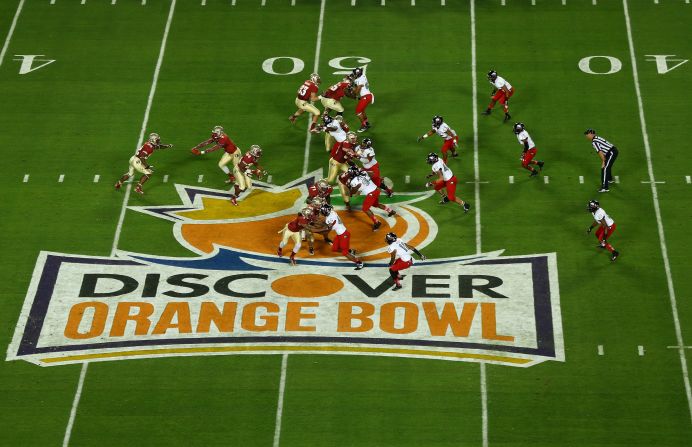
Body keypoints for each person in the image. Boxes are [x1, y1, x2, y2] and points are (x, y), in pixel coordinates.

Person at [347, 165, 396, 231]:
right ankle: (390, 211)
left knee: (365, 209)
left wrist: (352, 190)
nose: (349, 174)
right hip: (376, 190)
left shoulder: (353, 181)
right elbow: (372, 174)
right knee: (376, 204)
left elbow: (353, 192)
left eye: (350, 173)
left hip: (371, 194)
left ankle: (376, 222)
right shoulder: (364, 172)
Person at [320, 203, 364, 269]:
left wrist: (317, 229)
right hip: (340, 234)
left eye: (323, 212)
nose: (322, 213)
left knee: (344, 253)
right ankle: (351, 251)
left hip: (344, 235)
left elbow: (327, 229)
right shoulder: (332, 212)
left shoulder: (329, 218)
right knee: (334, 248)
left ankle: (359, 262)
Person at [328, 131, 358, 210]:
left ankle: (348, 191)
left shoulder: (354, 145)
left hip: (343, 163)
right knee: (331, 181)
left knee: (353, 173)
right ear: (348, 138)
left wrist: (354, 161)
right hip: (335, 161)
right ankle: (319, 185)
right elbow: (345, 149)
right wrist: (353, 154)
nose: (353, 139)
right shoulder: (345, 142)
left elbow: (349, 158)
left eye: (354, 138)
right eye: (352, 138)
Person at [584, 128, 619, 193]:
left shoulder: (594, 142)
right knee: (607, 166)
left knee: (605, 168)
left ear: (591, 134)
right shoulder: (596, 138)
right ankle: (610, 179)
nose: (586, 135)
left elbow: (600, 152)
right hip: (612, 151)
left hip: (611, 152)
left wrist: (603, 161)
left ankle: (605, 187)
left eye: (587, 134)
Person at [350, 67, 374, 133]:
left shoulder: (360, 80)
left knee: (358, 111)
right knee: (362, 110)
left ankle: (364, 126)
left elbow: (357, 91)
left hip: (366, 97)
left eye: (355, 74)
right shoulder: (363, 76)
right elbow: (357, 82)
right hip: (367, 96)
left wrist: (352, 92)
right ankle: (366, 123)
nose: (354, 74)